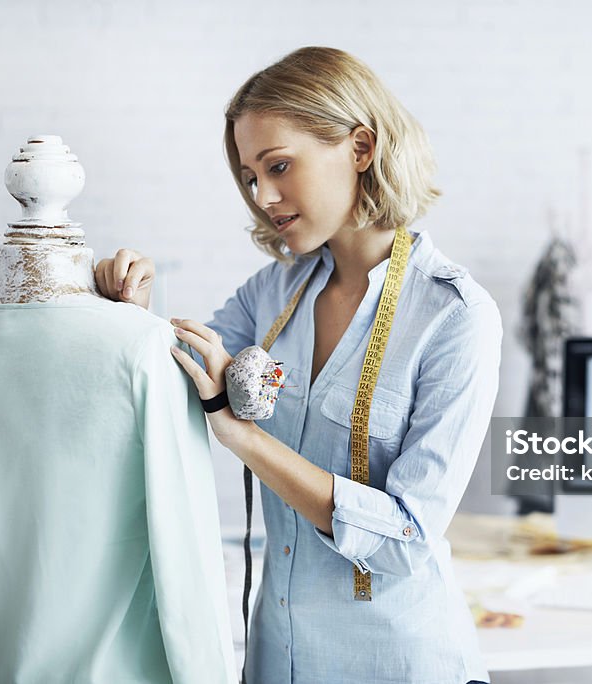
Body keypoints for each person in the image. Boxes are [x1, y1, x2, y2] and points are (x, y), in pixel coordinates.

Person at [96, 46, 501, 684]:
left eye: (279, 166)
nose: (264, 195)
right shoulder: (273, 293)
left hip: (398, 662)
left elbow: (408, 537)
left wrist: (246, 438)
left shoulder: (453, 316)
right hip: (277, 657)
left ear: (361, 147)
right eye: (251, 175)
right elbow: (166, 373)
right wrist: (129, 310)